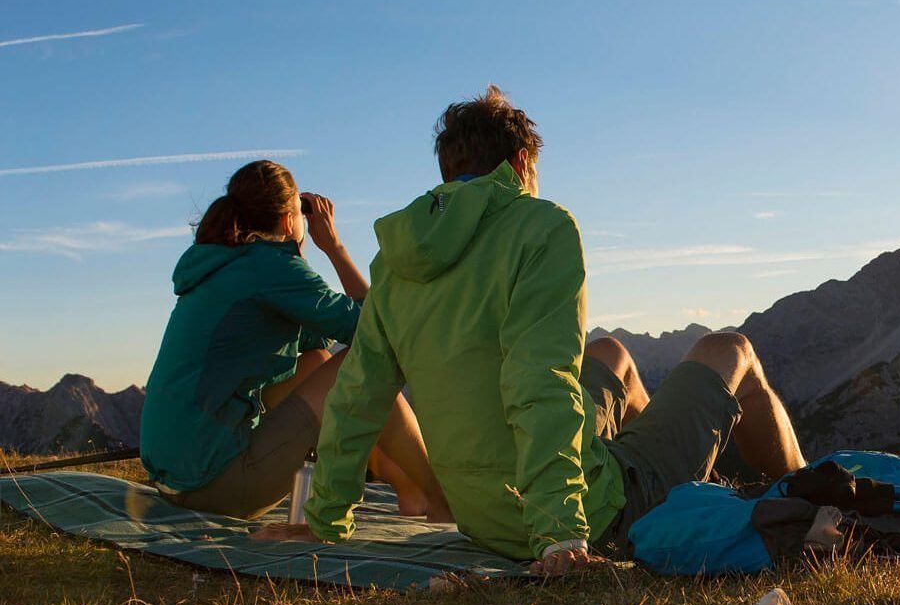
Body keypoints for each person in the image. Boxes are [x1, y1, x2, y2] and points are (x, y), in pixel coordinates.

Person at [253, 86, 807, 574]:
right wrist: (559, 533)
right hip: (579, 515)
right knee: (731, 350)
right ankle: (808, 491)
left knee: (611, 353)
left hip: (486, 518)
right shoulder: (541, 226)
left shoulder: (397, 263)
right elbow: (537, 379)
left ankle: (648, 470)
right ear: (521, 164)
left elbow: (356, 395)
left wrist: (325, 518)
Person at [140, 160, 451, 521]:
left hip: (180, 481)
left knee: (314, 361)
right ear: (290, 219)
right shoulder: (269, 267)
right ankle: (437, 498)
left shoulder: (231, 264)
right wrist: (334, 247)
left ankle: (411, 491)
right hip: (218, 484)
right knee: (362, 361)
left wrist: (299, 259)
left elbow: (319, 338)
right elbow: (377, 332)